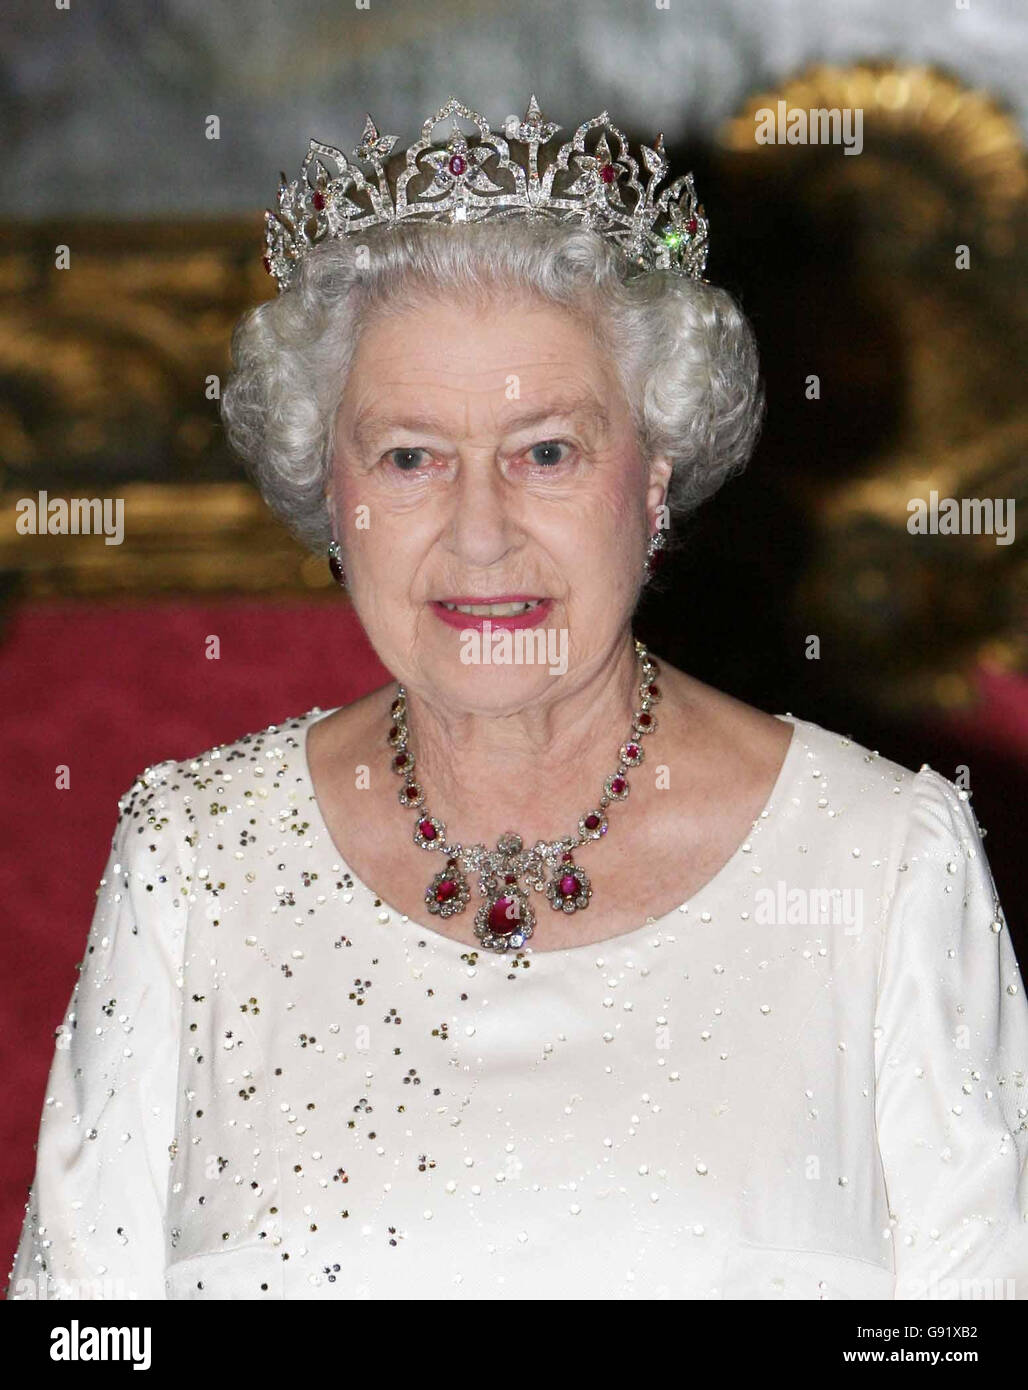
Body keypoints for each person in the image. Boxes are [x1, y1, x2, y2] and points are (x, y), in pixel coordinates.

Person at [9, 98, 1027, 1301]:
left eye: (545, 451)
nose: (478, 532)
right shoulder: (195, 859)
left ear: (651, 476)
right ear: (331, 495)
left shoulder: (879, 862)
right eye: (409, 456)